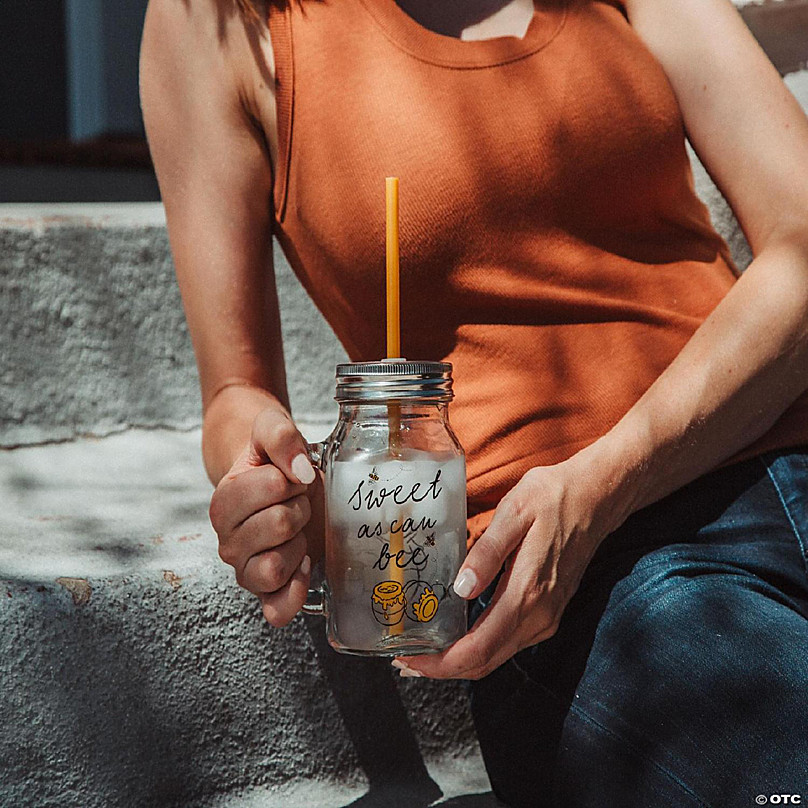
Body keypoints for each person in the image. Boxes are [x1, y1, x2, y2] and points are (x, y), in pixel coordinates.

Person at [140, 0, 808, 804]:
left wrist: (604, 481)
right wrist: (263, 476)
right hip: (582, 575)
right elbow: (234, 392)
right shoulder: (216, 21)